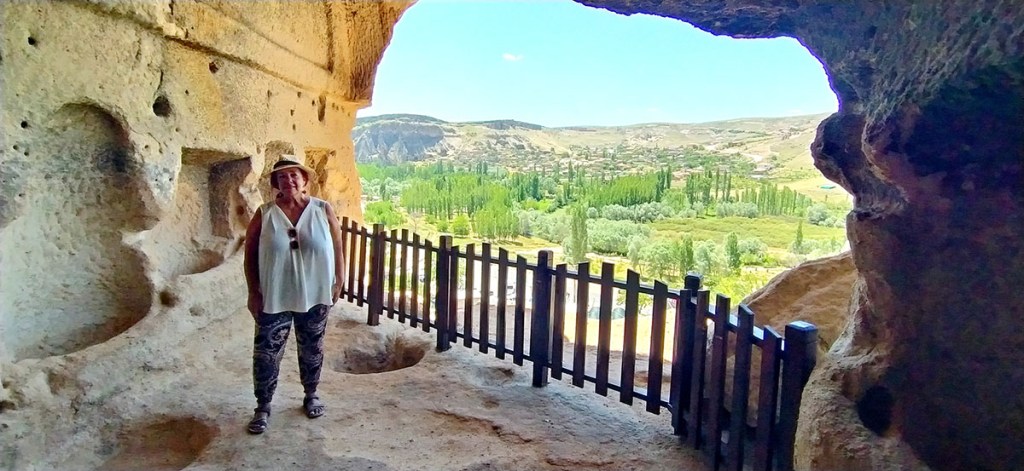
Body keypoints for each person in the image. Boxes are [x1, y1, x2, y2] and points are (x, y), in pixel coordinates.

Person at [242, 157, 345, 434]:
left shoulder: (322, 209)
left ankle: (311, 394)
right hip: (274, 294)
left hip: (316, 293)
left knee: (312, 347)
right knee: (266, 353)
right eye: (282, 177)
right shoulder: (265, 214)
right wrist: (253, 291)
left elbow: (337, 244)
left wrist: (339, 279)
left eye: (293, 175)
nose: (288, 181)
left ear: (304, 179)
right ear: (276, 183)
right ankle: (263, 406)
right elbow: (249, 254)